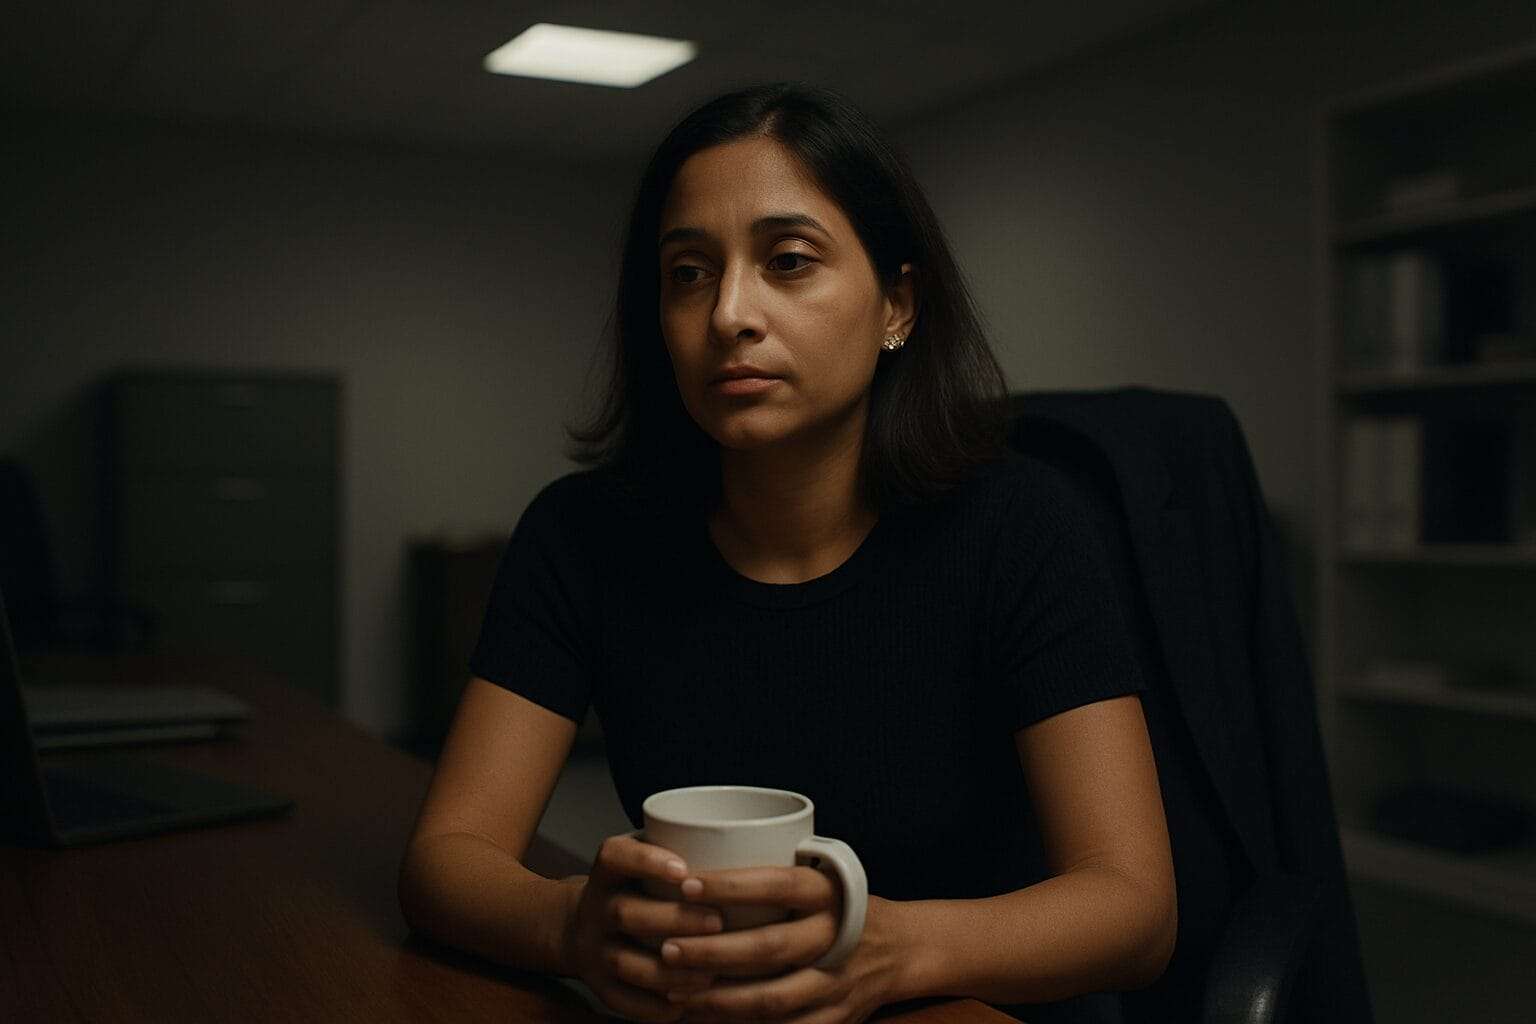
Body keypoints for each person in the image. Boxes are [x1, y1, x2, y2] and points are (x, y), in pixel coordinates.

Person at [397, 82, 1176, 1024]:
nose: (729, 312)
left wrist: (890, 951)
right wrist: (570, 923)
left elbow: (1134, 910)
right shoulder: (584, 536)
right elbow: (446, 860)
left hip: (968, 1002)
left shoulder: (1021, 528)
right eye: (688, 272)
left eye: (789, 261)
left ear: (897, 302)